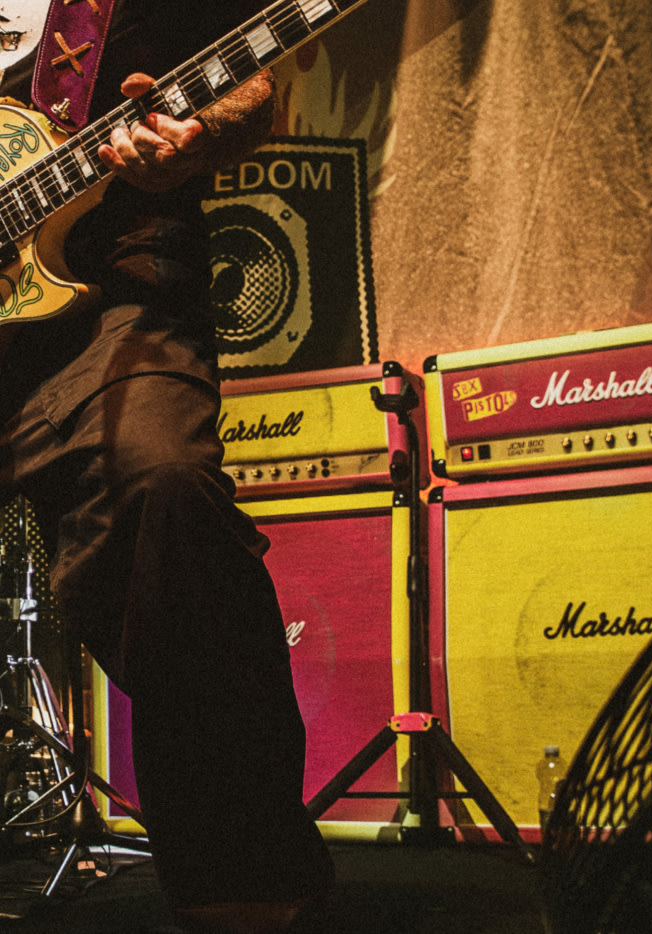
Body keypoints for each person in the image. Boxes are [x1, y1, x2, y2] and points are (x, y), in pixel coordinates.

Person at [0, 1, 335, 931]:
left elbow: (251, 79)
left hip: (109, 276)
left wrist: (199, 132)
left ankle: (242, 874)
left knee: (157, 483)